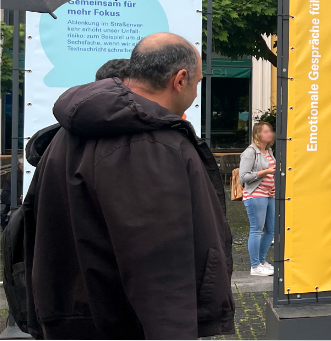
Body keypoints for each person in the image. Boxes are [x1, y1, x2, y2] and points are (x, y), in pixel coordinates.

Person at [23, 33, 234, 339]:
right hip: (124, 324)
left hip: (72, 318)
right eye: (198, 83)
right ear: (180, 79)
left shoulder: (66, 136)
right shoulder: (154, 145)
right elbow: (161, 267)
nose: (196, 92)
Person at [239, 121, 276, 277]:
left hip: (269, 194)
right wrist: (265, 171)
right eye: (266, 131)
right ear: (258, 134)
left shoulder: (269, 151)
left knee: (271, 230)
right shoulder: (250, 152)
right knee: (256, 230)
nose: (270, 134)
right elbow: (243, 177)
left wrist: (273, 186)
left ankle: (261, 261)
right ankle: (255, 266)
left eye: (270, 131)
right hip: (255, 194)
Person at [0, 157, 23, 229]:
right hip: (15, 213)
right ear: (20, 166)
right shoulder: (13, 178)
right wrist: (18, 199)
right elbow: (4, 197)